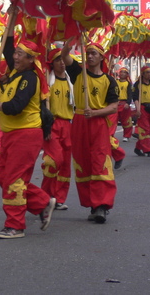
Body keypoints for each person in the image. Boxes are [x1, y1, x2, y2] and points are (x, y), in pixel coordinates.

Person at [0, 34, 55, 239]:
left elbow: (16, 106)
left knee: (14, 179)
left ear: (31, 59)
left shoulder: (30, 78)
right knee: (3, 177)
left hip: (26, 134)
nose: (15, 57)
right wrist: (12, 15)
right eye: (15, 53)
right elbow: (6, 44)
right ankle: (41, 202)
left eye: (20, 54)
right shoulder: (14, 73)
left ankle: (15, 225)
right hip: (10, 134)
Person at [61, 39, 118, 224]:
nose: (91, 56)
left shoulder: (109, 80)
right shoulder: (78, 73)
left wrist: (94, 113)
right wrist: (68, 45)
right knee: (83, 161)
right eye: (88, 53)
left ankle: (101, 205)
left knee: (100, 162)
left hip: (98, 124)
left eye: (94, 53)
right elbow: (64, 57)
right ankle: (92, 204)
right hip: (79, 122)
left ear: (102, 57)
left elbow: (113, 107)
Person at [41, 48, 73, 210]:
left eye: (63, 59)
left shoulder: (70, 81)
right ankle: (45, 195)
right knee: (53, 160)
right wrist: (45, 127)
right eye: (58, 60)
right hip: (52, 125)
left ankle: (59, 198)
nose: (62, 62)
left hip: (68, 125)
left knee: (66, 164)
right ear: (52, 64)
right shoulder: (47, 82)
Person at [132, 66, 150, 157]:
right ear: (143, 74)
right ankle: (148, 150)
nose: (149, 74)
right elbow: (135, 98)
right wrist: (138, 109)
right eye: (147, 72)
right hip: (143, 108)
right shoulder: (138, 84)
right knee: (145, 129)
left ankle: (138, 147)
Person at [115, 67, 134, 142]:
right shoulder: (115, 82)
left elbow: (130, 94)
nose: (122, 73)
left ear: (127, 74)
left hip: (124, 104)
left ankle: (126, 135)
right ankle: (111, 135)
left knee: (126, 121)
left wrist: (128, 103)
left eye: (124, 72)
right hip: (116, 104)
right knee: (112, 121)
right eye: (121, 72)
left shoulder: (128, 84)